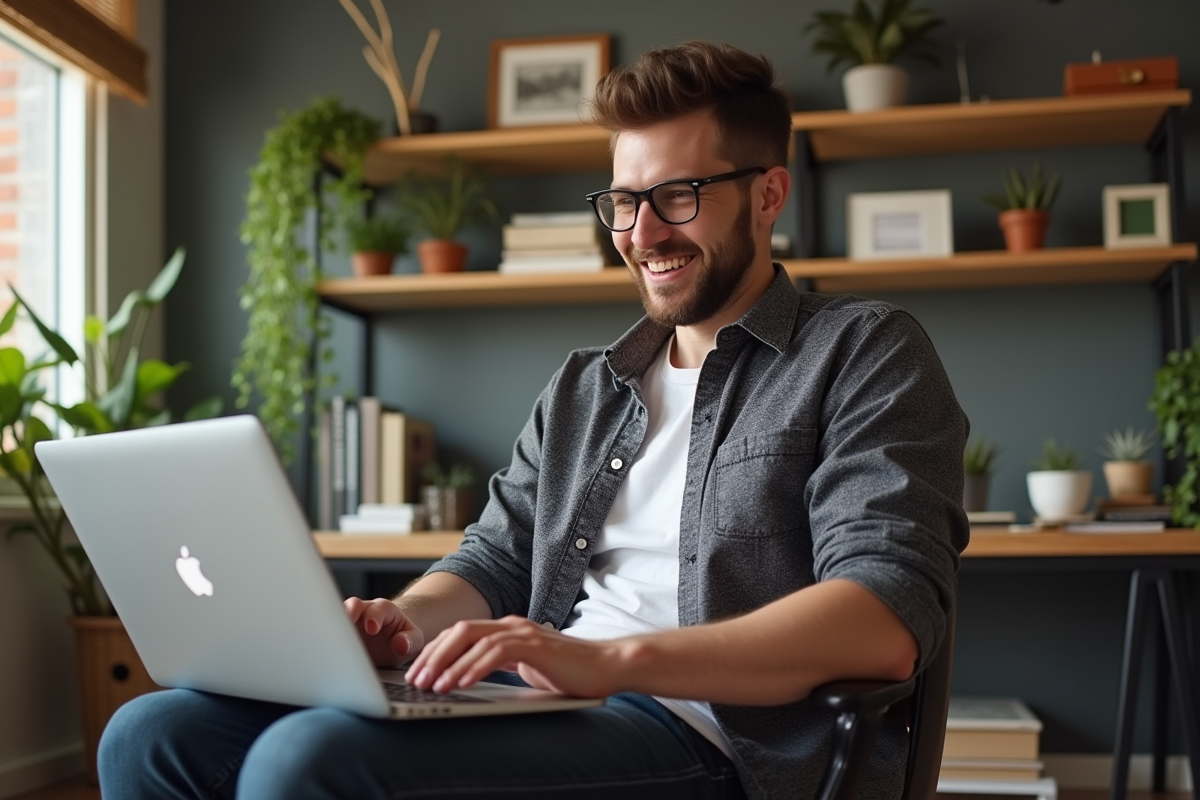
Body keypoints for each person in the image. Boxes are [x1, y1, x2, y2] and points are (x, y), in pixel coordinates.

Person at [100, 41, 968, 800]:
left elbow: (883, 620)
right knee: (152, 733)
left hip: (720, 742)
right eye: (623, 201)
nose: (640, 232)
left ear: (769, 193)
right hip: (546, 702)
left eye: (678, 195)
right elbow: (493, 560)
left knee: (310, 759)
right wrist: (403, 627)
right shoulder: (586, 387)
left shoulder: (863, 350)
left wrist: (611, 661)